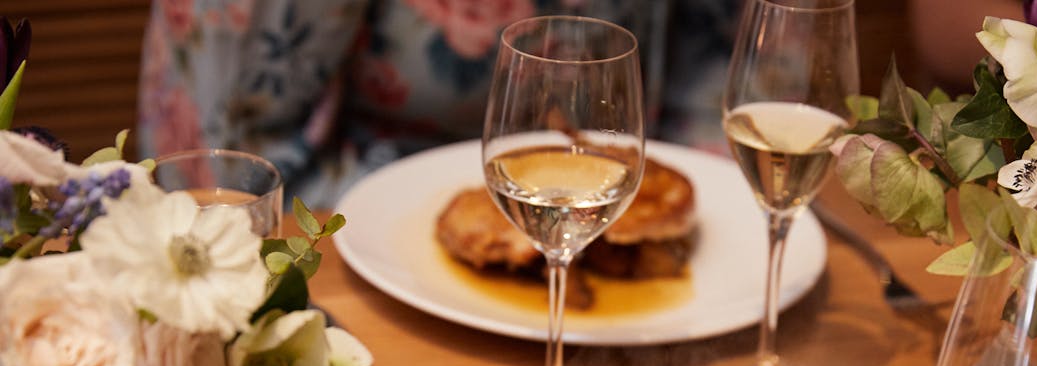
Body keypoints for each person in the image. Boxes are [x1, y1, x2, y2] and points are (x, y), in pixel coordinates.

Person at [137, 0, 741, 208]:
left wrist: (683, 208)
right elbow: (239, 169)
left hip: (619, 224)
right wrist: (461, 230)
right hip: (364, 237)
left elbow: (733, 64)